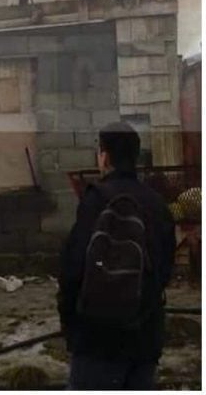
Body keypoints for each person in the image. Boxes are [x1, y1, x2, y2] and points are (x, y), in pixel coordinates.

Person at [57, 121, 176, 390]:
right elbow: (164, 270)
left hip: (97, 341)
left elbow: (73, 268)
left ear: (105, 157)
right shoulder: (157, 204)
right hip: (144, 339)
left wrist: (71, 325)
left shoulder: (96, 199)